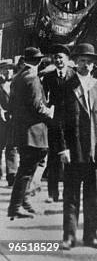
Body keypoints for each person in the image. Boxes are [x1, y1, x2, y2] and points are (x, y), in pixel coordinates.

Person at [57, 43, 97, 250]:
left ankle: (91, 236)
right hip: (73, 150)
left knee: (93, 197)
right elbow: (59, 121)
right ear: (75, 62)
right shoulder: (66, 86)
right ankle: (69, 236)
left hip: (94, 152)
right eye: (82, 61)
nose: (86, 65)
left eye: (90, 62)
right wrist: (62, 148)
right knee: (71, 196)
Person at [6, 47, 52, 219]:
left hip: (21, 129)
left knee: (25, 169)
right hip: (34, 131)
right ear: (39, 61)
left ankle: (23, 202)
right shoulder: (32, 78)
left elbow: (12, 105)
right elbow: (37, 106)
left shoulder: (17, 77)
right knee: (26, 170)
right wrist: (51, 113)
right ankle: (16, 206)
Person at [42, 44, 75, 203]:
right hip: (55, 122)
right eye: (56, 58)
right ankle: (52, 193)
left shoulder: (74, 76)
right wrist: (48, 111)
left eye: (61, 57)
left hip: (71, 121)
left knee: (71, 157)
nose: (58, 60)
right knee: (54, 157)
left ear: (68, 60)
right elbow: (44, 98)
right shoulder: (48, 77)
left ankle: (68, 192)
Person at [0, 60, 18, 186]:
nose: (7, 71)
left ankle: (11, 175)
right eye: (4, 69)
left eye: (9, 68)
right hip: (0, 119)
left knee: (12, 147)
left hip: (12, 119)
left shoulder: (15, 83)